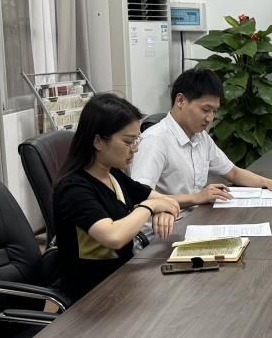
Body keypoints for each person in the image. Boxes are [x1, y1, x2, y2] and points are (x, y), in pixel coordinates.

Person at [53, 94, 180, 301]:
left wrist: (162, 208)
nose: (135, 149)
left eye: (136, 140)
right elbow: (113, 237)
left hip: (124, 280)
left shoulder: (113, 174)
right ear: (98, 141)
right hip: (92, 297)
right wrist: (149, 207)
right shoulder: (73, 189)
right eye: (128, 141)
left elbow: (167, 201)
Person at [129, 68, 272, 206]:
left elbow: (233, 173)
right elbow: (139, 197)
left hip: (195, 217)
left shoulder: (200, 137)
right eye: (205, 109)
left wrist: (268, 183)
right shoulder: (155, 141)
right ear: (180, 101)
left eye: (214, 111)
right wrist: (196, 198)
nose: (210, 118)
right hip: (163, 227)